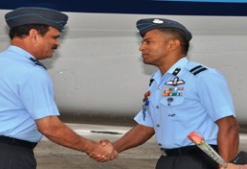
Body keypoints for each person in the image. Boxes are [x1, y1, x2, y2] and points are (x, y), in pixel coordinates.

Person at [0, 7, 116, 169]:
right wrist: (93, 148)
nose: (57, 44)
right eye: (54, 37)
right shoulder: (31, 72)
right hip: (6, 157)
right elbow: (50, 127)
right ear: (34, 35)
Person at [95, 18, 240, 169]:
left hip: (200, 160)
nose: (141, 48)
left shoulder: (201, 76)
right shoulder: (157, 81)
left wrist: (225, 164)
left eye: (148, 42)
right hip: (168, 160)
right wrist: (114, 147)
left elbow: (228, 125)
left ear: (172, 45)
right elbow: (146, 126)